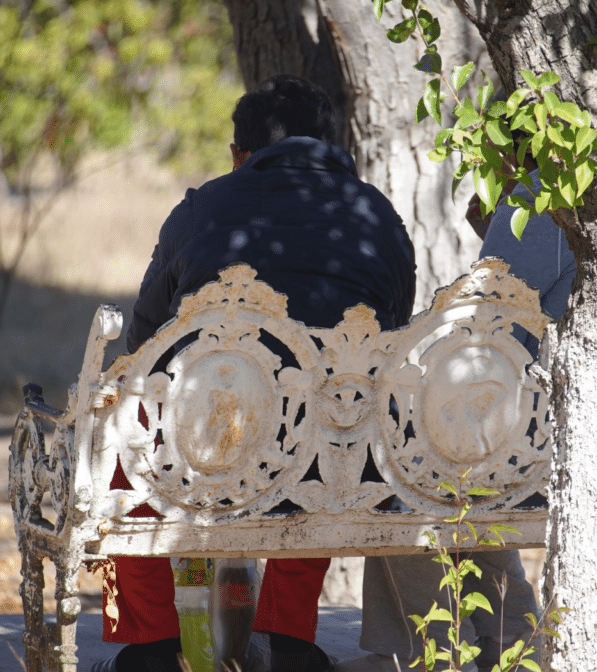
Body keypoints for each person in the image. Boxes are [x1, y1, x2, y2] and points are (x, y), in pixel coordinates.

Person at [92, 74, 416, 672]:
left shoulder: (200, 208)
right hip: (341, 463)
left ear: (239, 155)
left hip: (207, 452)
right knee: (336, 411)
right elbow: (389, 339)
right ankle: (288, 639)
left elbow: (141, 346)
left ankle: (153, 646)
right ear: (331, 145)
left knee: (120, 438)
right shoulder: (377, 215)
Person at [336, 154, 572, 672]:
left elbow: (492, 339)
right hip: (566, 434)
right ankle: (509, 640)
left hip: (547, 447)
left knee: (403, 473)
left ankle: (429, 652)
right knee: (447, 466)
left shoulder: (538, 196)